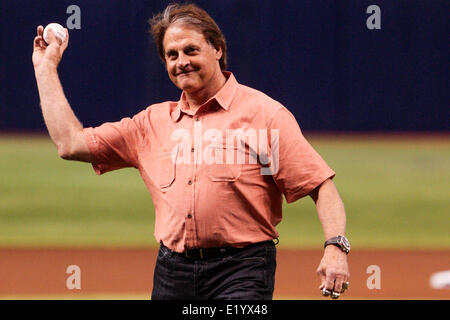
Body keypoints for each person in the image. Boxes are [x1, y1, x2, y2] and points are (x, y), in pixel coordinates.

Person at [32, 3, 350, 300]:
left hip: (243, 270)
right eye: (171, 54)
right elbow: (70, 143)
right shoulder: (151, 124)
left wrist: (336, 247)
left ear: (217, 49)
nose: (181, 61)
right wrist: (45, 69)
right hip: (172, 272)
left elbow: (320, 185)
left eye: (191, 50)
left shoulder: (264, 117)